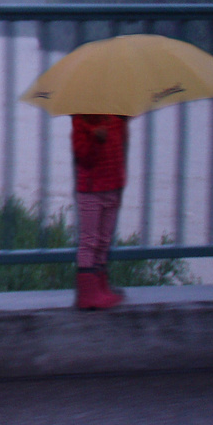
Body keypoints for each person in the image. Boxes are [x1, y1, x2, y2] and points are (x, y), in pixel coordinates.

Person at [71, 113, 128, 309]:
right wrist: (96, 140)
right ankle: (87, 294)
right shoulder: (80, 123)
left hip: (113, 186)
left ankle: (100, 286)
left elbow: (121, 151)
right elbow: (83, 159)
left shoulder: (117, 119)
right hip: (91, 190)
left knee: (104, 240)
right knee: (90, 240)